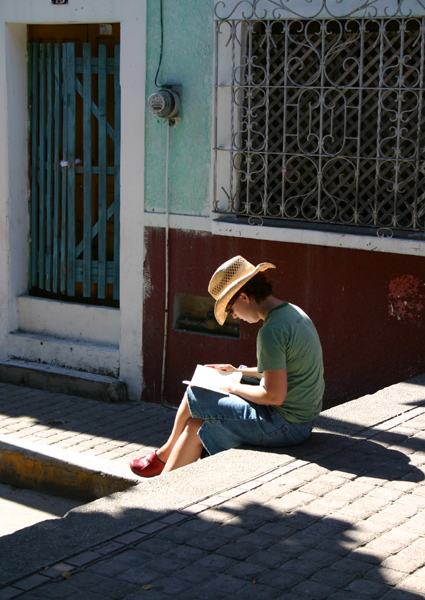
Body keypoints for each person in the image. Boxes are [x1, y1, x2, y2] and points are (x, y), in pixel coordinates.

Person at [130, 255, 325, 477]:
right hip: (302, 420)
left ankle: (164, 457)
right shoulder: (292, 312)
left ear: (244, 296)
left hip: (285, 425)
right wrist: (236, 371)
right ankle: (164, 473)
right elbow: (282, 368)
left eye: (231, 307)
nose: (233, 315)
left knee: (196, 391)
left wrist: (231, 387)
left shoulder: (271, 331)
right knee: (196, 426)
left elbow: (274, 395)